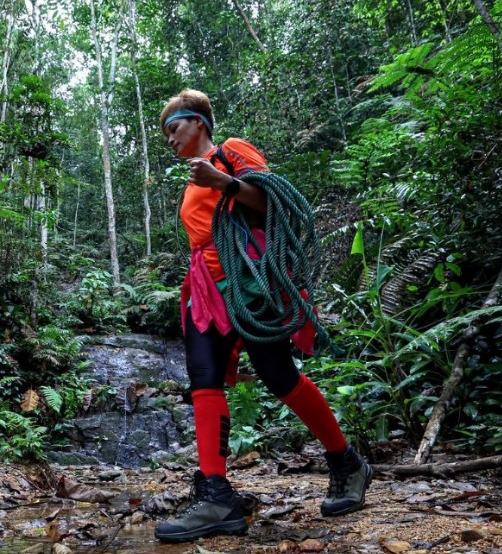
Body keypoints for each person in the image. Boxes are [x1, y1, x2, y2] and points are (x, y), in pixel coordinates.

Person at [154, 89, 372, 543]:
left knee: (278, 375)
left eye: (173, 128)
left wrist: (224, 182)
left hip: (250, 281)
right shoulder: (194, 178)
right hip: (206, 287)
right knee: (203, 378)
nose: (169, 139)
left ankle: (347, 462)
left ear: (198, 123)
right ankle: (216, 496)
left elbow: (274, 203)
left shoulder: (230, 152)